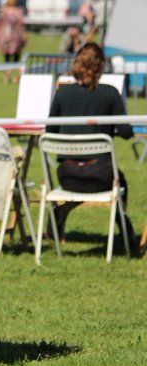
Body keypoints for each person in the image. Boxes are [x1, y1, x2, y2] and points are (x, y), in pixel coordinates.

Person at [46, 43, 138, 254]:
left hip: (67, 175)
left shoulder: (63, 93)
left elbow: (50, 130)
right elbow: (126, 132)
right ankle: (125, 229)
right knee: (119, 183)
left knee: (92, 184)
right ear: (102, 66)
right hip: (101, 175)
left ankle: (62, 211)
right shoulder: (110, 94)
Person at [0, 0, 26, 83]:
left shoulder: (3, 13)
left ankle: (7, 75)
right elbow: (21, 26)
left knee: (7, 58)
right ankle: (12, 74)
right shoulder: (17, 12)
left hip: (4, 38)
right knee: (16, 58)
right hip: (15, 38)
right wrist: (24, 38)